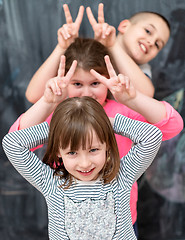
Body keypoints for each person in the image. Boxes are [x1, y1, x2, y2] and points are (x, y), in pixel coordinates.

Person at [9, 37, 183, 235]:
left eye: (94, 83)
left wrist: (114, 113)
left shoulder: (121, 114)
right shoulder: (59, 118)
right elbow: (16, 142)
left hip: (124, 218)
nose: (86, 92)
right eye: (76, 84)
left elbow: (172, 126)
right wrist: (60, 122)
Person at [3, 95, 163, 240]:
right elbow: (12, 144)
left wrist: (105, 124)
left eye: (93, 150)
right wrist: (60, 129)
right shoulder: (50, 182)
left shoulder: (122, 176)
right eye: (72, 152)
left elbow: (152, 136)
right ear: (59, 151)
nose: (85, 163)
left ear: (106, 144)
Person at [25, 3, 170, 103]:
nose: (151, 42)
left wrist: (113, 45)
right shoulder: (88, 53)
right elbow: (33, 95)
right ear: (124, 26)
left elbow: (146, 95)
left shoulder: (142, 71)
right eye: (148, 31)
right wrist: (62, 47)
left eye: (158, 44)